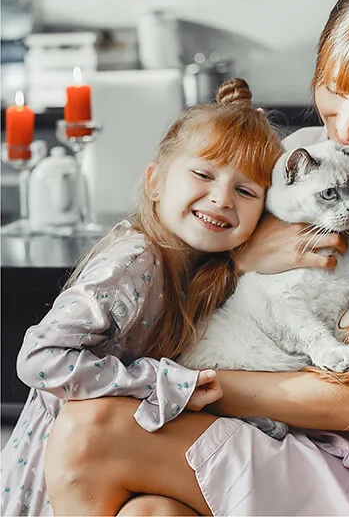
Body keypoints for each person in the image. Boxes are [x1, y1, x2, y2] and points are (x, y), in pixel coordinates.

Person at [43, 0, 349, 516]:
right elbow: (196, 297)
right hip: (265, 425)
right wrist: (243, 258)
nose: (347, 127)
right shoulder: (307, 153)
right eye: (335, 90)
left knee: (89, 429)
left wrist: (188, 385)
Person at [0, 78, 286, 517]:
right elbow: (38, 357)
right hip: (63, 464)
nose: (221, 197)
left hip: (115, 452)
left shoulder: (200, 267)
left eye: (246, 191)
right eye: (203, 174)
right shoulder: (135, 262)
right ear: (155, 182)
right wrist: (156, 381)